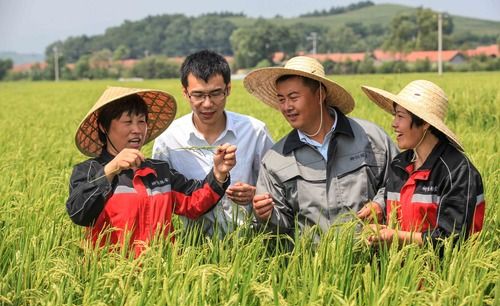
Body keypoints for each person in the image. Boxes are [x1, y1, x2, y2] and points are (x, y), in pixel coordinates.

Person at [66, 86, 236, 257]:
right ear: (104, 127)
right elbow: (80, 213)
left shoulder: (159, 171)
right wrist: (110, 170)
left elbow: (194, 201)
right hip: (109, 275)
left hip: (160, 276)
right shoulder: (89, 172)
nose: (137, 130)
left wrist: (219, 174)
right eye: (128, 122)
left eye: (141, 121)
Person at [243, 56, 398, 236]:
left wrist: (380, 203)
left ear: (320, 94)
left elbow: (401, 183)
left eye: (293, 97)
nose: (286, 107)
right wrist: (267, 215)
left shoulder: (371, 138)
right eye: (281, 99)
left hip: (373, 259)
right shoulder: (276, 160)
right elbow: (281, 232)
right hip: (313, 262)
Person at [153, 50, 274, 238]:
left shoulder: (254, 131)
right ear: (185, 93)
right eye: (198, 95)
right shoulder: (168, 139)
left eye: (216, 93)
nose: (207, 104)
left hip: (249, 243)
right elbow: (158, 200)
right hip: (192, 247)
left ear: (228, 89)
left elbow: (277, 186)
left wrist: (256, 194)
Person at [361, 80, 485, 247]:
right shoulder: (398, 165)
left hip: (444, 272)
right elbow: (395, 218)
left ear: (425, 123)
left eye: (400, 116)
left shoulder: (456, 172)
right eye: (394, 116)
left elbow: (451, 240)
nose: (394, 124)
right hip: (400, 272)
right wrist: (378, 223)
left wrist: (395, 237)